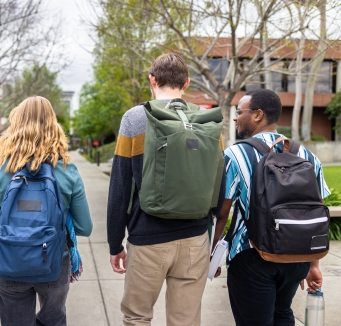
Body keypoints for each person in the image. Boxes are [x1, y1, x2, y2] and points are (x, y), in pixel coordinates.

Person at [107, 53, 225, 326]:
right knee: (185, 320)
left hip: (148, 239)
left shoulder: (135, 118)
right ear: (186, 83)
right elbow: (218, 185)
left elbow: (120, 187)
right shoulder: (208, 122)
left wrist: (115, 243)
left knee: (137, 317)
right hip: (195, 239)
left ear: (152, 80)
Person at [212, 89, 328, 326]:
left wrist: (211, 255)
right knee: (283, 313)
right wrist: (313, 263)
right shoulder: (308, 155)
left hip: (250, 256)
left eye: (239, 111)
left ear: (258, 115)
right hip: (295, 256)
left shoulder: (235, 154)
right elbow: (317, 211)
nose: (235, 118)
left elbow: (221, 213)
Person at [0, 96, 93, 326]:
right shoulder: (67, 169)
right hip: (54, 262)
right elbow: (84, 227)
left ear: (16, 123)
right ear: (53, 124)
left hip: (10, 261)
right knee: (54, 319)